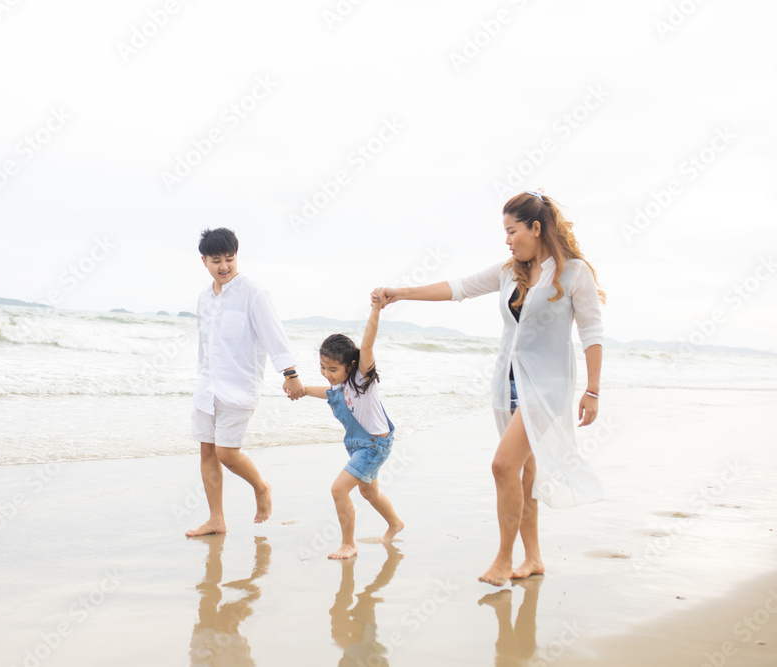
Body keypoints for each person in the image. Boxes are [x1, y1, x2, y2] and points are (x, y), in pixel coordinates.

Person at [373, 190, 605, 586]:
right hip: (508, 385)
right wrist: (401, 293)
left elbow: (592, 331)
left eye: (511, 231)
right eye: (505, 232)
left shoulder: (574, 272)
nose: (508, 240)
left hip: (546, 389)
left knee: (502, 467)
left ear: (535, 228)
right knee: (524, 473)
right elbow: (457, 287)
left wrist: (593, 390)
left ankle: (503, 559)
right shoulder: (508, 271)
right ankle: (533, 558)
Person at [186, 228, 305, 537]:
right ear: (204, 262)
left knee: (227, 454)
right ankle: (216, 520)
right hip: (207, 386)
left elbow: (273, 333)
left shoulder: (253, 292)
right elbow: (204, 343)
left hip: (239, 386)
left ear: (237, 256)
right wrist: (200, 377)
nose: (224, 266)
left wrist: (290, 374)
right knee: (207, 453)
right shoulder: (204, 297)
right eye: (216, 260)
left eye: (230, 258)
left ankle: (261, 486)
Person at [297, 300, 405, 559]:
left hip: (373, 446)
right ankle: (395, 524)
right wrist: (300, 390)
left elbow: (367, 344)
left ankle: (349, 544)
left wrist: (376, 309)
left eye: (333, 369)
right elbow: (327, 392)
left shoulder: (361, 379)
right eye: (323, 367)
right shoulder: (340, 386)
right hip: (363, 447)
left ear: (351, 365)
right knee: (369, 491)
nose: (327, 374)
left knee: (339, 489)